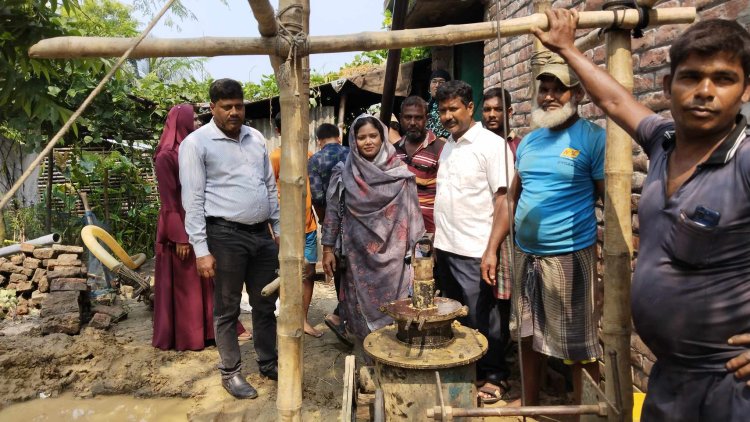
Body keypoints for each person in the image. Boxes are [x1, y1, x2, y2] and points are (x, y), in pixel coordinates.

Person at [532, 9, 750, 420]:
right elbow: (614, 99)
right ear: (668, 86)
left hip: (727, 384)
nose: (705, 91)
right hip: (670, 378)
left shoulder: (744, 162)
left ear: (746, 90)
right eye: (691, 77)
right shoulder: (663, 141)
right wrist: (565, 47)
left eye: (723, 79)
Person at [482, 60, 605, 407]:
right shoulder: (529, 142)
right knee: (525, 336)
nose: (549, 96)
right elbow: (511, 198)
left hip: (569, 256)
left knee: (578, 345)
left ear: (576, 94)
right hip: (525, 254)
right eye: (544, 89)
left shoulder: (592, 138)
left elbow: (606, 197)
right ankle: (530, 403)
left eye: (558, 89)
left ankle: (588, 412)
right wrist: (492, 248)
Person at [179, 79, 279, 400]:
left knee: (265, 303)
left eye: (239, 105)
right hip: (223, 235)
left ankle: (268, 361)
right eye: (227, 107)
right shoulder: (197, 144)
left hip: (261, 235)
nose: (235, 112)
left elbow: (269, 187)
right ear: (212, 108)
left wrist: (279, 229)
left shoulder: (256, 138)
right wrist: (201, 249)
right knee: (227, 309)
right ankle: (231, 373)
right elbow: (192, 200)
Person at [432, 80, 516, 404]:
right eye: (443, 110)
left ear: (470, 108)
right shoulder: (449, 145)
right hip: (448, 246)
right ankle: (470, 370)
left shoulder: (492, 146)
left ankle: (495, 375)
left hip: (476, 248)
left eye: (454, 108)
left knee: (486, 317)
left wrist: (491, 249)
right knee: (459, 316)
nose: (448, 115)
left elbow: (504, 200)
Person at [321, 114, 425, 346]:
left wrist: (417, 257)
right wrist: (328, 249)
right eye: (361, 137)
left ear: (382, 138)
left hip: (395, 262)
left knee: (396, 316)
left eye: (373, 136)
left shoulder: (400, 173)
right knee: (360, 318)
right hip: (357, 260)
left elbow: (413, 217)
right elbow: (333, 214)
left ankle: (393, 364)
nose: (368, 141)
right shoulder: (343, 173)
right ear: (353, 141)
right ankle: (367, 364)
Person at [152, 104, 249, 352]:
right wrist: (181, 237)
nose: (196, 122)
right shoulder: (166, 156)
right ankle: (188, 335)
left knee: (206, 280)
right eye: (192, 118)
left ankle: (209, 331)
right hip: (180, 228)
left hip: (199, 221)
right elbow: (169, 200)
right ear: (180, 121)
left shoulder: (193, 149)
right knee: (186, 284)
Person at [270, 113, 322, 338]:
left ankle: (303, 318)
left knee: (308, 273)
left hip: (308, 227)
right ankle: (288, 316)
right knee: (286, 274)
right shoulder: (275, 157)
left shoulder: (309, 157)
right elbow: (269, 193)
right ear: (279, 131)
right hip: (285, 230)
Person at [308, 123, 350, 343]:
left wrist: (325, 221)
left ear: (319, 140)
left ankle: (342, 315)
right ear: (339, 136)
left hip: (333, 222)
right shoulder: (352, 153)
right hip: (356, 223)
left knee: (338, 270)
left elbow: (316, 196)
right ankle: (345, 315)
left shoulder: (315, 160)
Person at [394, 95, 446, 236]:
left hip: (429, 231)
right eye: (408, 117)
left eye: (418, 118)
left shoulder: (441, 149)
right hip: (398, 229)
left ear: (427, 118)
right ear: (400, 118)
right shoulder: (393, 151)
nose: (412, 122)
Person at [427, 69, 452, 140]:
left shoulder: (453, 106)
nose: (437, 85)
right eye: (434, 82)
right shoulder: (424, 107)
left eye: (441, 82)